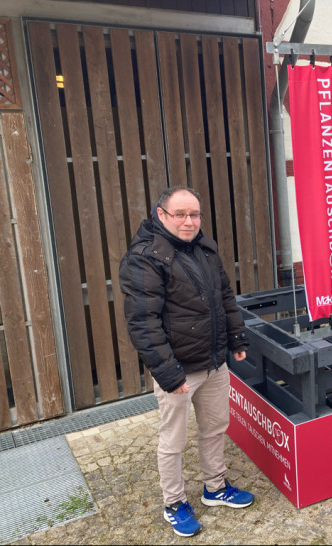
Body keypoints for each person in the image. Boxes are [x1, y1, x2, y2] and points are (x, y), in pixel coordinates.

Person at [119, 186, 252, 537]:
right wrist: (167, 373)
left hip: (213, 363)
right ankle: (174, 504)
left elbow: (225, 296)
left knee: (215, 428)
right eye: (180, 214)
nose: (188, 221)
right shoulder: (145, 257)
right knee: (173, 441)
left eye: (194, 214)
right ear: (160, 215)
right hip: (178, 371)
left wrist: (236, 338)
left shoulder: (205, 249)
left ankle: (215, 488)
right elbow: (143, 322)